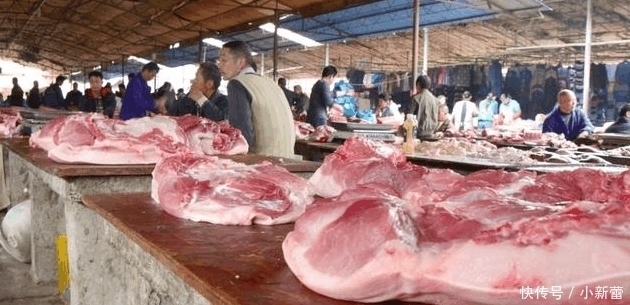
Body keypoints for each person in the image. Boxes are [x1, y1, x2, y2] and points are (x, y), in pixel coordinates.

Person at [217, 40, 294, 158]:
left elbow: (243, 138)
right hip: (288, 159)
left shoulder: (237, 84)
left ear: (240, 62)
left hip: (262, 164)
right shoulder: (271, 83)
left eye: (224, 60)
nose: (219, 65)